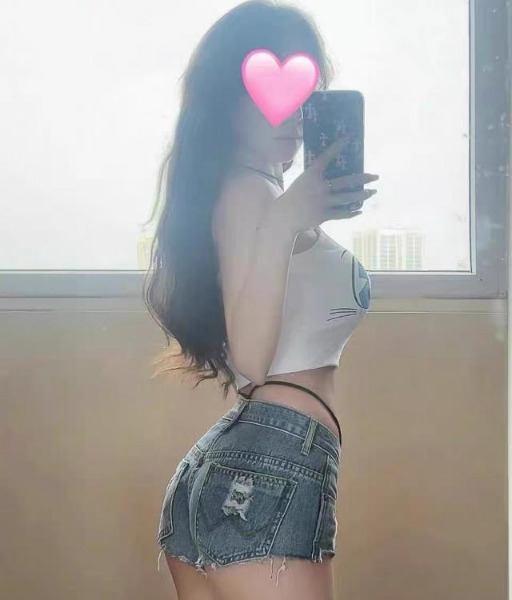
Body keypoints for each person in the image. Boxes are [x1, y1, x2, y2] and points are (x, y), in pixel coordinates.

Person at [148, 1, 379, 598]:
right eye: (266, 90)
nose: (291, 114)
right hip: (269, 472)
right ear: (226, 98)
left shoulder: (254, 192)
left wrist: (294, 214)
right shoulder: (252, 195)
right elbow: (252, 357)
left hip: (243, 470)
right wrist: (286, 219)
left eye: (304, 93)